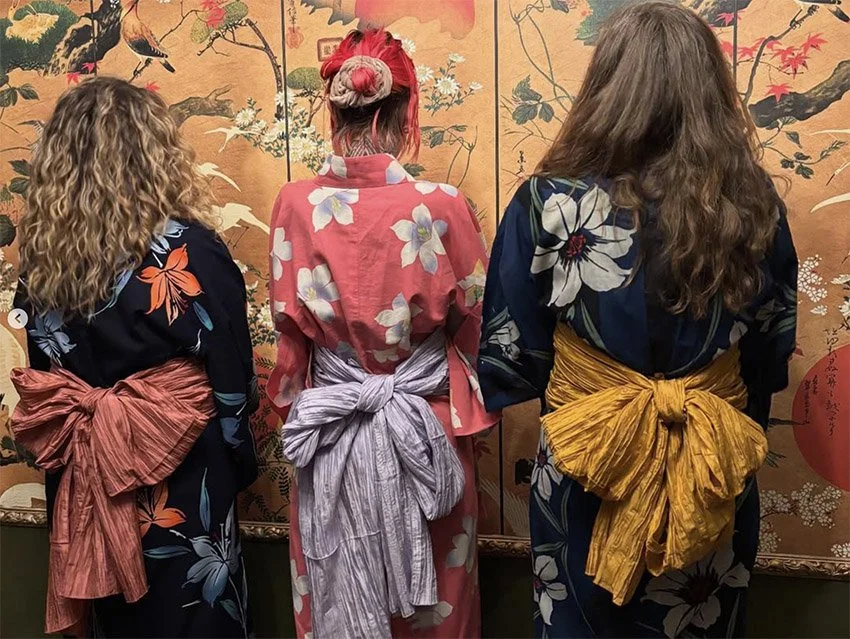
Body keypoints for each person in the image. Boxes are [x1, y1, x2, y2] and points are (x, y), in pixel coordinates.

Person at [477, 3, 797, 638]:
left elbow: (513, 354)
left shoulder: (548, 204)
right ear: (710, 92)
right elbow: (766, 356)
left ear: (607, 88)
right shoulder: (753, 204)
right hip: (708, 467)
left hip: (585, 470)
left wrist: (604, 401)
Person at [268, 29, 498, 639]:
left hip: (331, 432)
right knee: (435, 608)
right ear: (404, 110)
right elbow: (477, 323)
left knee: (331, 585)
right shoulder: (443, 204)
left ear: (335, 109)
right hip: (425, 429)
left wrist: (302, 402)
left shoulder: (293, 203)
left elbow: (290, 340)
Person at [11, 77, 258, 638]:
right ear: (153, 154)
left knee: (113, 619)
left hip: (85, 484)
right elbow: (233, 387)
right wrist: (237, 465)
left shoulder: (42, 269)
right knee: (195, 615)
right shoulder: (190, 252)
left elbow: (48, 394)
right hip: (184, 482)